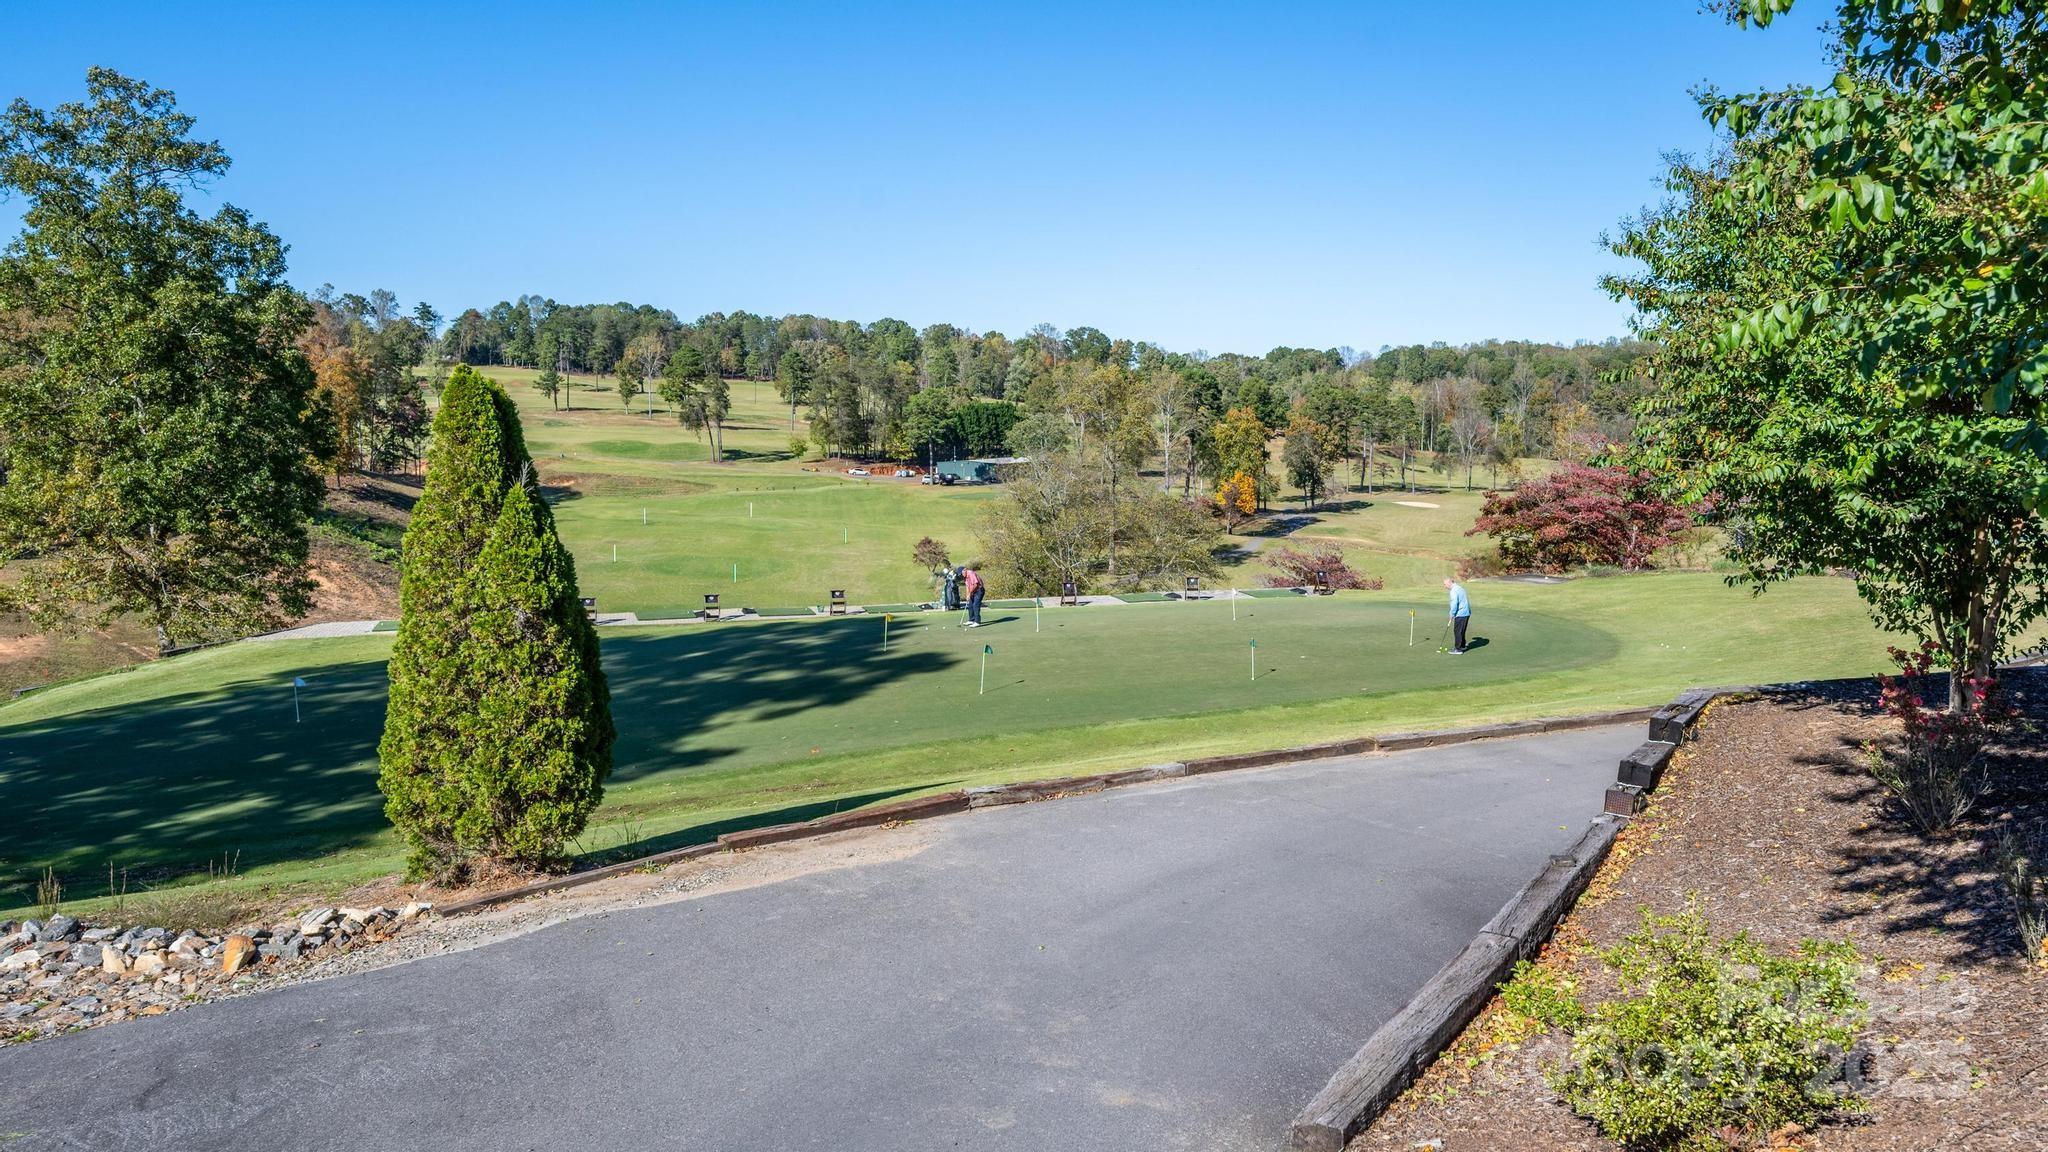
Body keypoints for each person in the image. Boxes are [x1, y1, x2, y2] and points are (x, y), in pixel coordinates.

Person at [1443, 577, 1471, 654]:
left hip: (1461, 613)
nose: (1444, 586)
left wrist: (1452, 614)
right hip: (1466, 612)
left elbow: (1454, 604)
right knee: (1462, 630)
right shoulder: (1460, 588)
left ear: (1449, 583)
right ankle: (1462, 645)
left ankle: (1458, 649)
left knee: (1457, 631)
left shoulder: (1454, 591)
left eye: (1445, 584)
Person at [962, 564, 985, 628]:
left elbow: (975, 585)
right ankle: (971, 620)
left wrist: (970, 593)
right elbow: (967, 586)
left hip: (979, 590)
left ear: (965, 570)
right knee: (970, 605)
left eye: (962, 573)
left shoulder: (971, 573)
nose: (961, 575)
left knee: (975, 605)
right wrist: (967, 595)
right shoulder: (965, 577)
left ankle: (977, 622)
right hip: (973, 591)